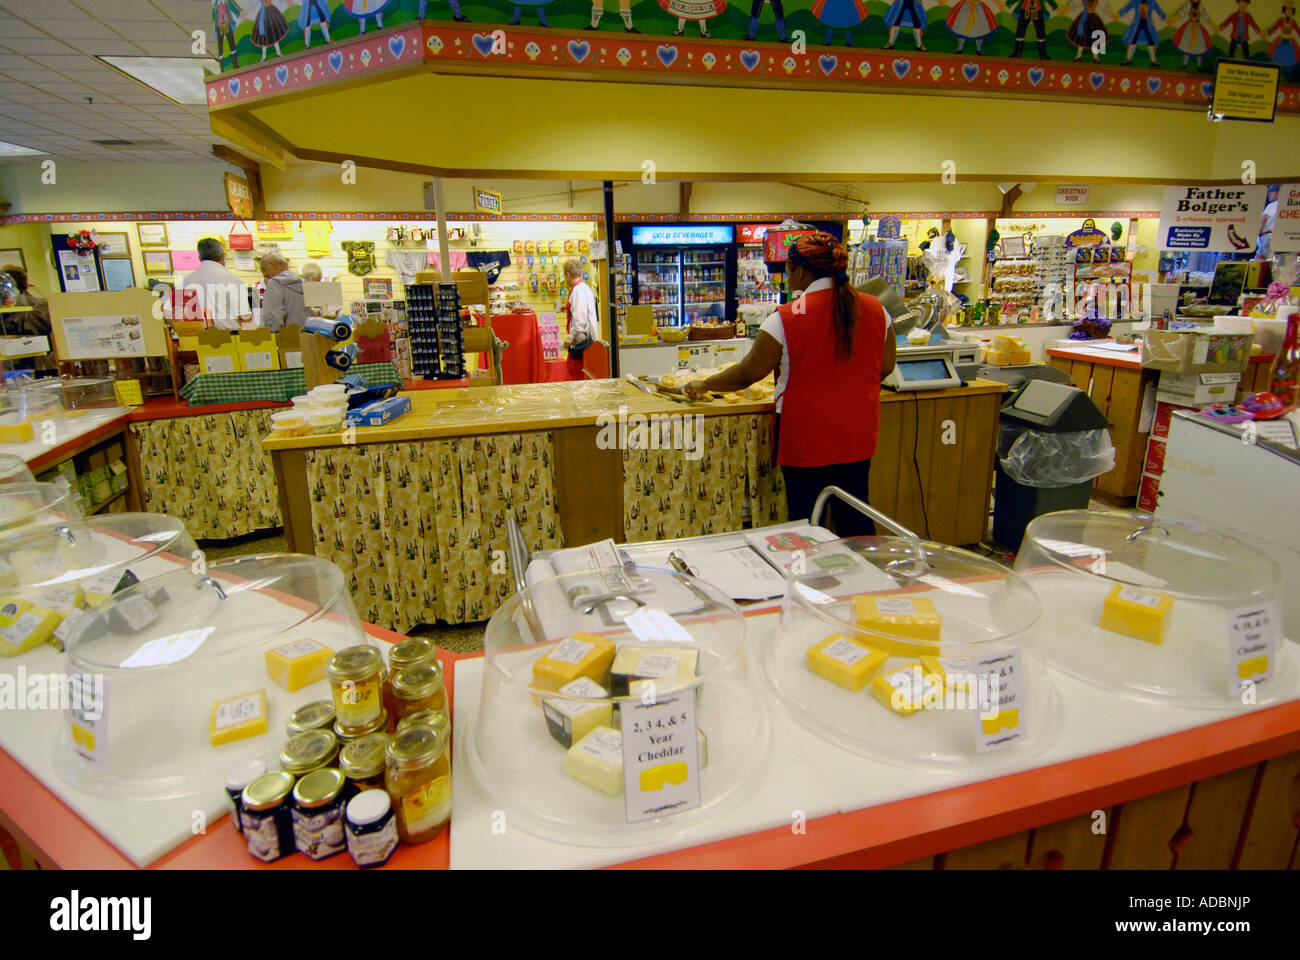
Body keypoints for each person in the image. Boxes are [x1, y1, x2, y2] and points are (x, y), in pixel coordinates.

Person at [684, 232, 895, 536]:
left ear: (799, 271)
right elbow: (885, 367)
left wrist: (705, 384)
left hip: (807, 433)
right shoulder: (877, 309)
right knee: (855, 513)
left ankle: (809, 578)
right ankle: (866, 580)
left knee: (808, 520)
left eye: (788, 270)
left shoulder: (787, 316)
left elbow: (748, 373)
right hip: (859, 431)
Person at [182, 238, 249, 330]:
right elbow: (243, 316)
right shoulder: (231, 279)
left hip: (199, 337)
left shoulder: (186, 280)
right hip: (229, 338)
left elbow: (178, 314)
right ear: (222, 256)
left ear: (199, 258)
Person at [562, 258, 597, 381]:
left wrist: (570, 337)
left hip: (581, 342)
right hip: (586, 341)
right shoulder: (584, 288)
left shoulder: (577, 290)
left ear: (568, 275)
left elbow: (580, 318)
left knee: (578, 378)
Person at [259, 253, 308, 332]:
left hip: (287, 336)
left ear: (274, 266)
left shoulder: (274, 283)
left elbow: (273, 316)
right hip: (307, 334)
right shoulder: (303, 282)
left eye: (263, 269)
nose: (264, 274)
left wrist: (273, 334)